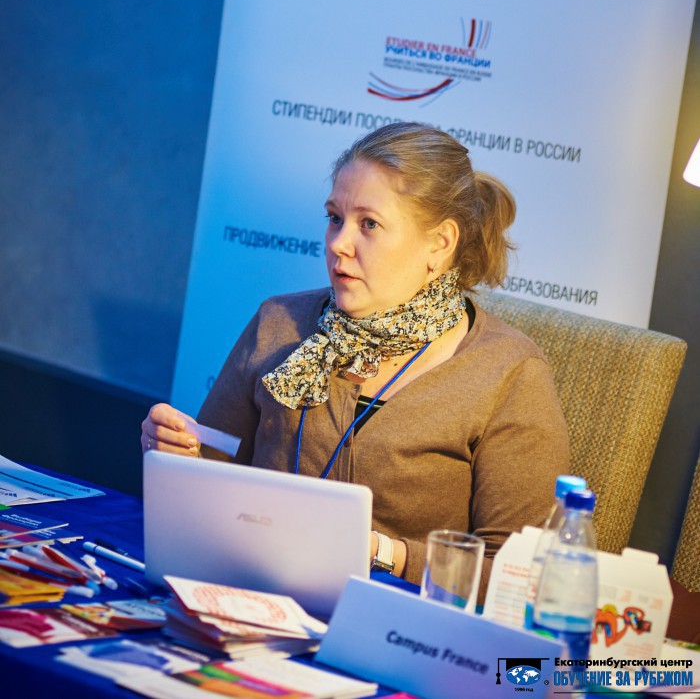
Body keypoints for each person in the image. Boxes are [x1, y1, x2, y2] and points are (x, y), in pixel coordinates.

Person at [142, 122, 569, 596]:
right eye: (334, 218)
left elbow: (521, 576)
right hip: (252, 596)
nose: (338, 243)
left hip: (397, 623)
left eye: (369, 224)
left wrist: (381, 552)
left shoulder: (509, 373)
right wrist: (177, 457)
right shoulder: (278, 322)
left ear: (440, 243)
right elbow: (215, 469)